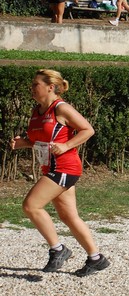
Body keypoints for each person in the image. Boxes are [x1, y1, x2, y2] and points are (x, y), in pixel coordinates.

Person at [10, 69, 110, 277]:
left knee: (31, 205)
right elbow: (40, 140)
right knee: (69, 216)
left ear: (50, 87)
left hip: (65, 167)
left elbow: (87, 130)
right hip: (51, 167)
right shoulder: (37, 111)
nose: (32, 88)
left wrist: (66, 146)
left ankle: (58, 249)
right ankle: (96, 258)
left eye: (35, 84)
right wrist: (23, 143)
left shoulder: (61, 108)